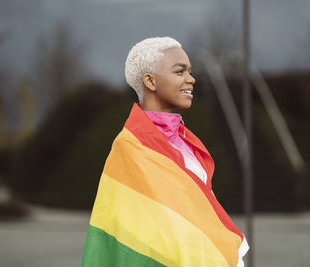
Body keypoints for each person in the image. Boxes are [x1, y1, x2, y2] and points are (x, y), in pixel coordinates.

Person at [82, 37, 248, 267]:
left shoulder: (189, 143)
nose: (191, 79)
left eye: (190, 71)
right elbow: (128, 230)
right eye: (180, 71)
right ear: (150, 81)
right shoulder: (129, 147)